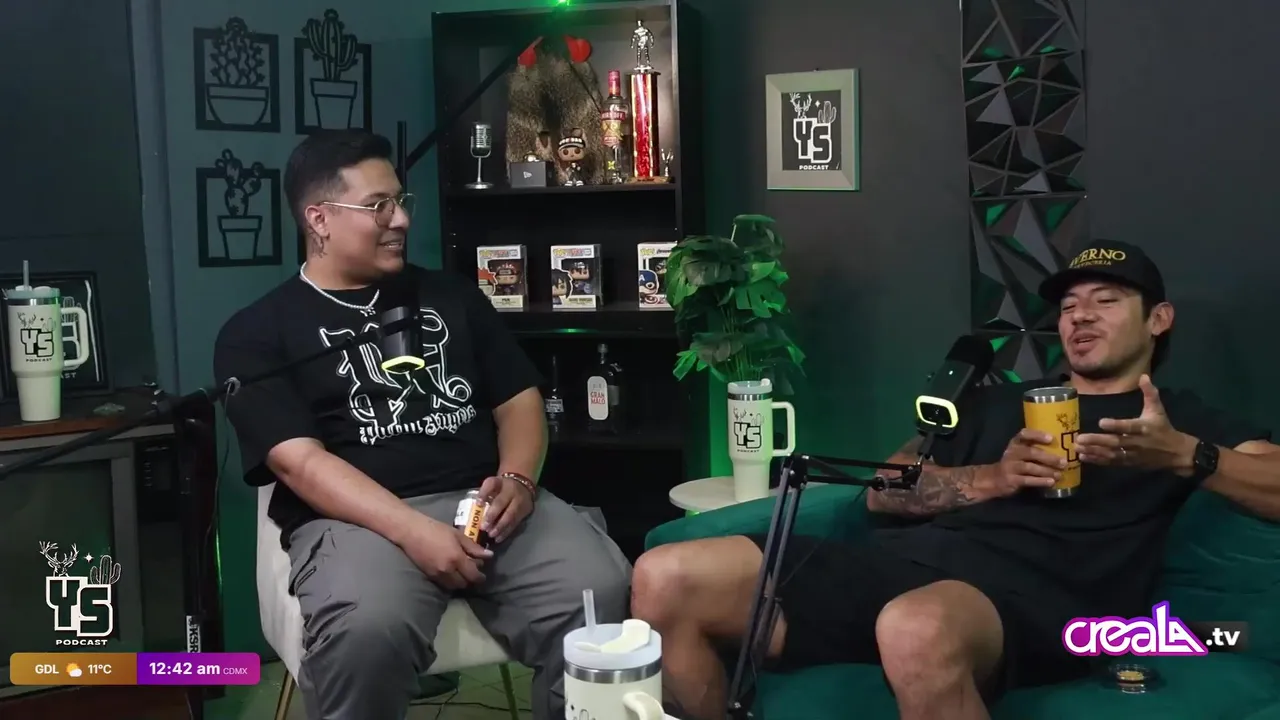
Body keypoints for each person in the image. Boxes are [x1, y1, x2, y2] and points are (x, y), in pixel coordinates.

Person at [631, 240, 1280, 720]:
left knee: (914, 626)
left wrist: (1188, 456)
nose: (1081, 317)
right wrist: (993, 477)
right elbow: (882, 490)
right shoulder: (995, 401)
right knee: (663, 577)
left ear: (1159, 319)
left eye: (1106, 301)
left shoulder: (1177, 419)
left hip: (1038, 603)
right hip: (899, 570)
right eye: (1069, 306)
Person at [213, 129, 631, 720]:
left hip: (487, 506)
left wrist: (519, 479)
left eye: (400, 201)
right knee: (367, 628)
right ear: (319, 219)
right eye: (378, 205)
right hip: (359, 523)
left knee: (599, 589)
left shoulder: (452, 295)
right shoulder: (256, 333)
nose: (402, 219)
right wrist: (412, 531)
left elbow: (519, 399)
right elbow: (299, 462)